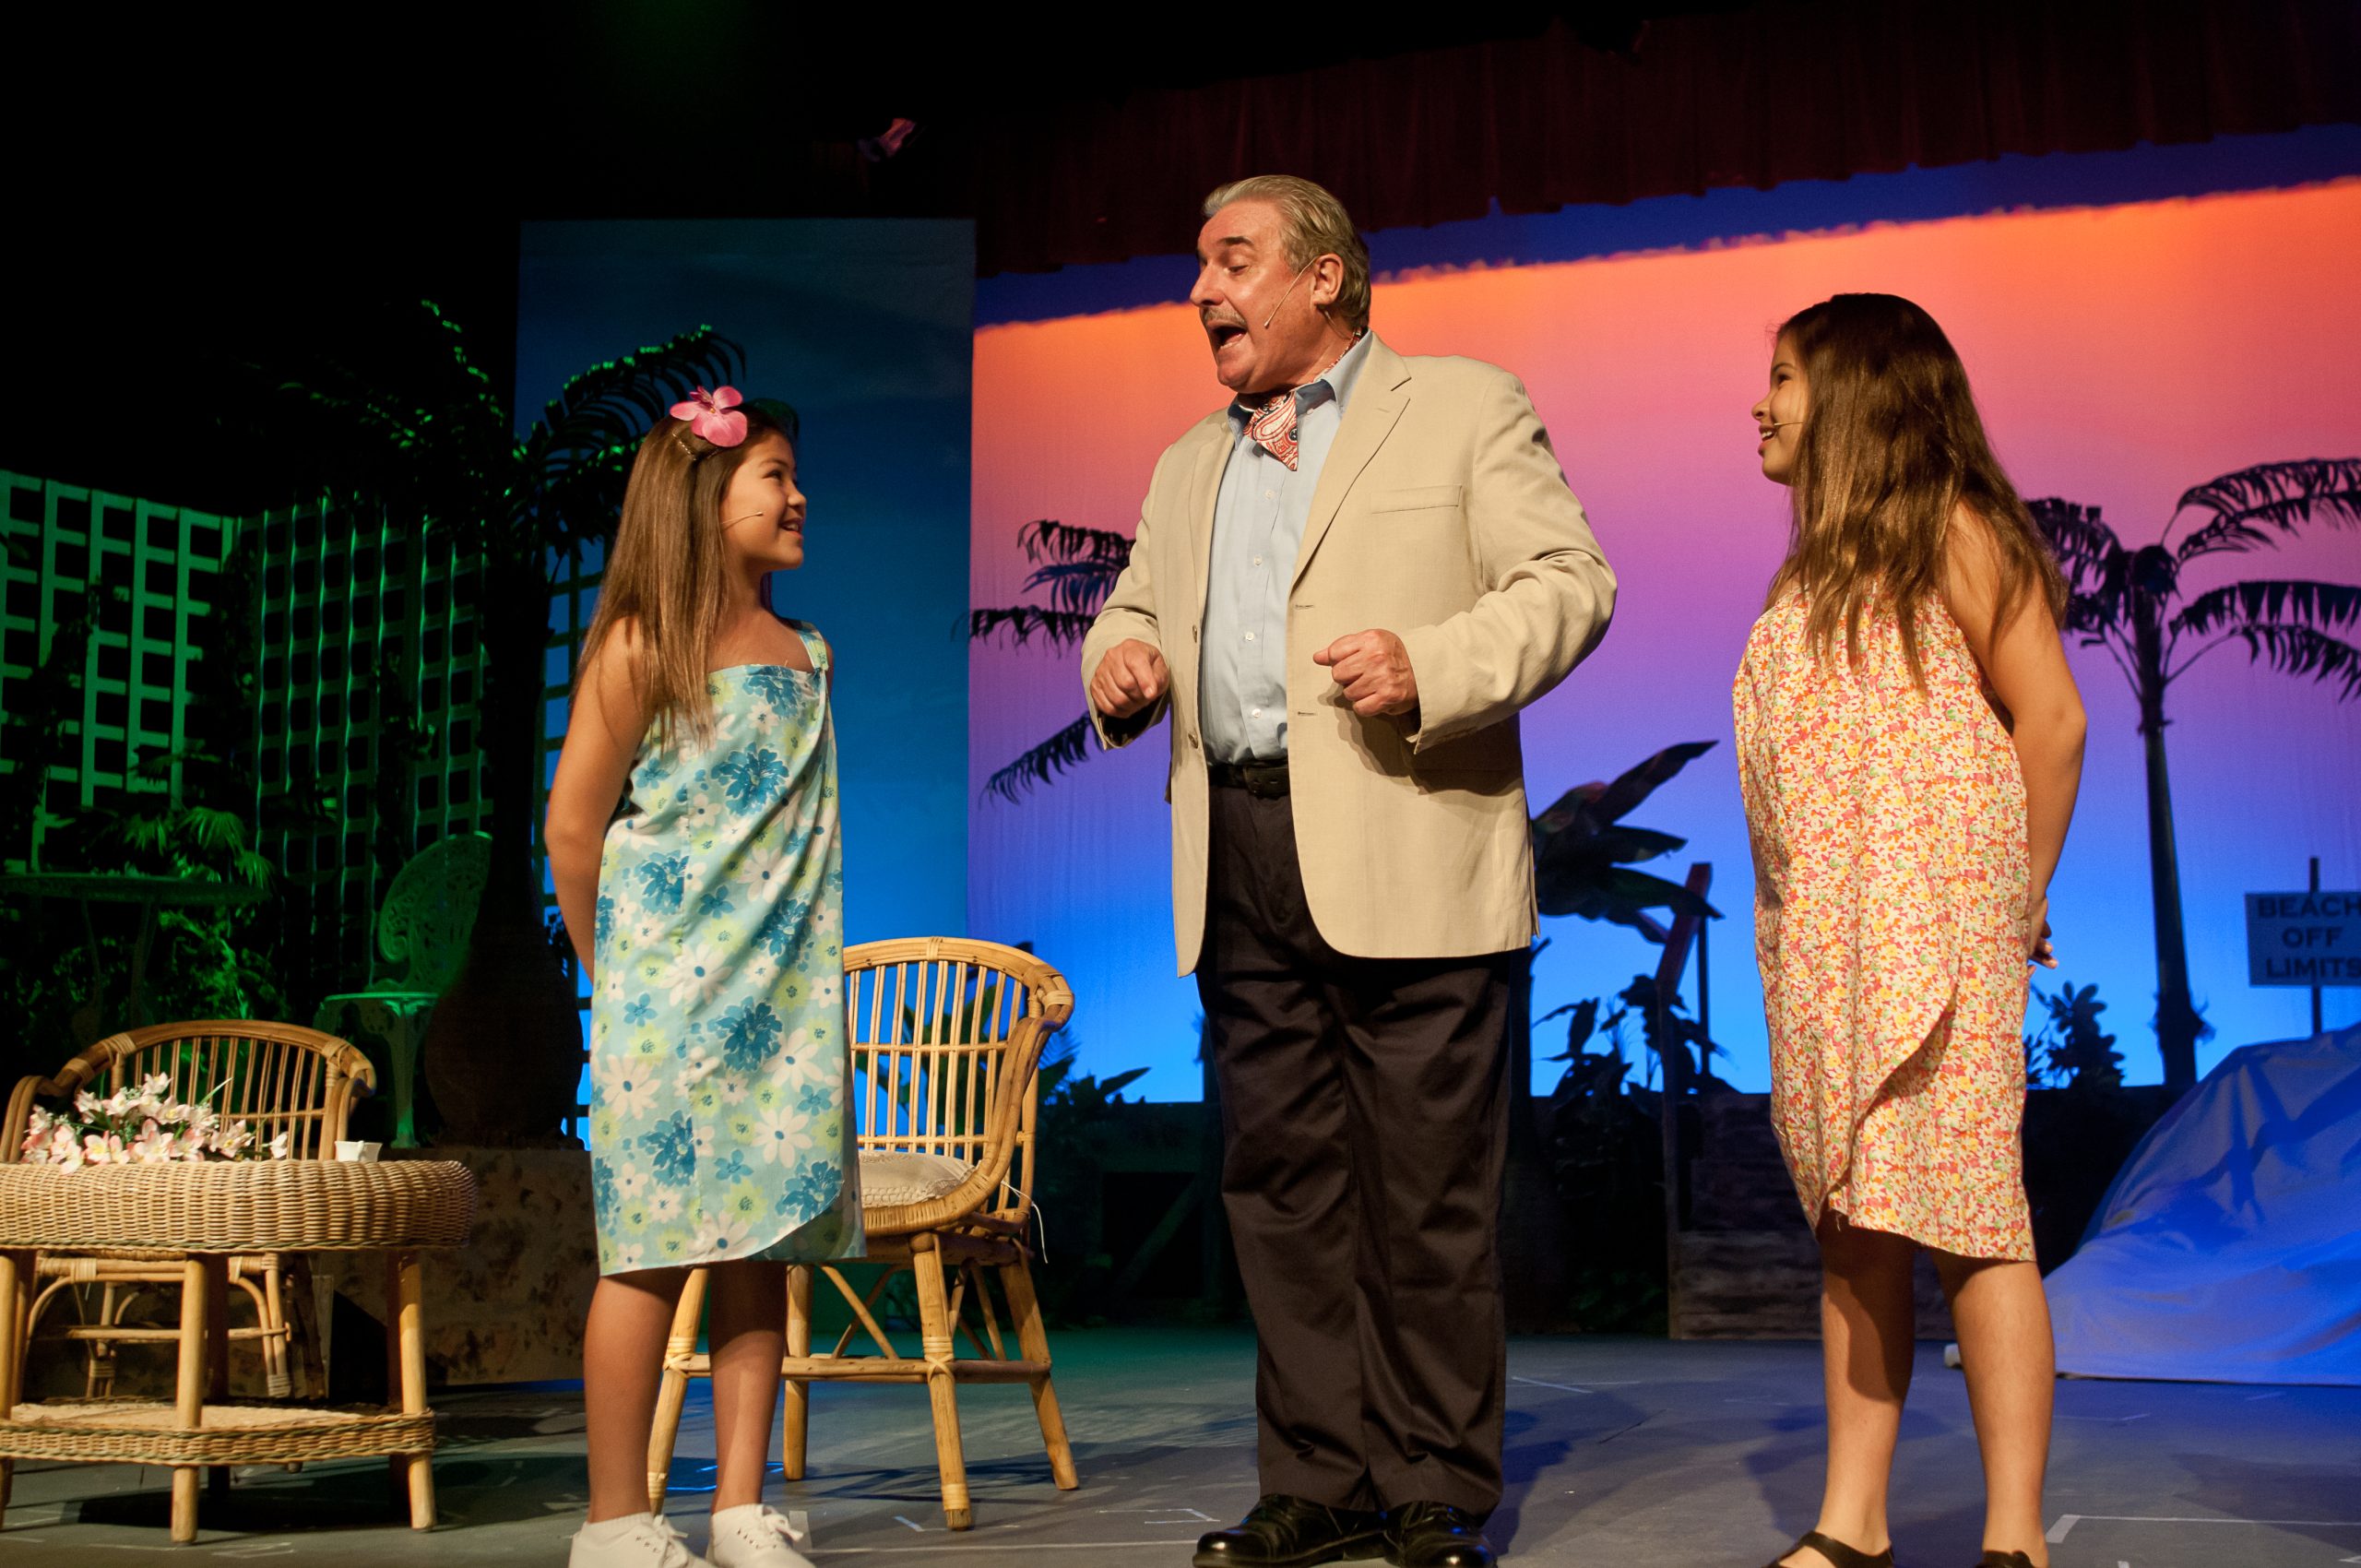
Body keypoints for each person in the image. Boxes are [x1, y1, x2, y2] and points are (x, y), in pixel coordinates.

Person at [1082, 175, 1616, 1568]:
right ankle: (1316, 1477)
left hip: (1406, 836)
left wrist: (1431, 662)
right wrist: (1119, 657)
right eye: (1200, 264)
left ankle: (1433, 1481)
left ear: (1324, 277)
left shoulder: (1462, 407)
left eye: (1233, 260)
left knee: (1428, 1188)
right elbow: (1135, 601)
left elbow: (1570, 583)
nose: (1202, 289)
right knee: (1281, 1187)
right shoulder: (1188, 460)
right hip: (1240, 847)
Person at [1733, 293, 2087, 1568]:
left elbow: (2052, 721)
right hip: (1827, 956)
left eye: (1784, 376)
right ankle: (1853, 1523)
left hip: (1936, 949)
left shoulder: (1955, 528)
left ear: (1859, 392)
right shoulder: (1813, 574)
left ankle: (2013, 1537)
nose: (1760, 403)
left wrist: (2013, 902)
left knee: (1976, 1222)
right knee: (1854, 1228)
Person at [545, 386, 858, 1568]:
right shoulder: (642, 647)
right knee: (649, 1252)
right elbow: (573, 827)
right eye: (774, 474)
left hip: (779, 1008)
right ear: (702, 497)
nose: (798, 495)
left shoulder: (809, 654)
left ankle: (738, 1506)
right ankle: (614, 1519)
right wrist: (612, 974)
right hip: (668, 1008)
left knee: (759, 1251)